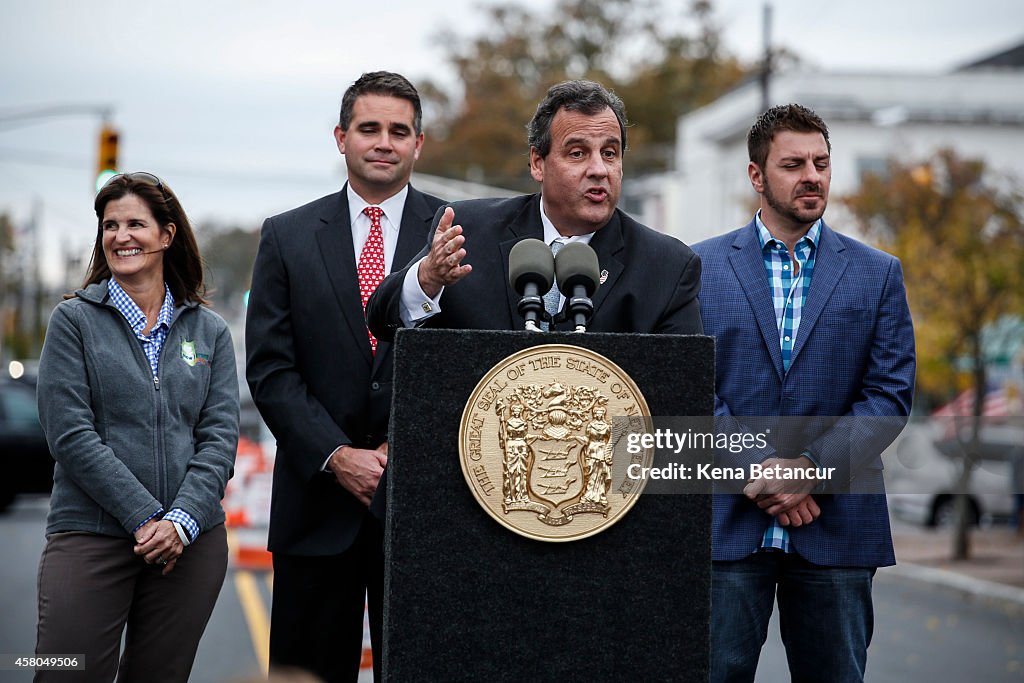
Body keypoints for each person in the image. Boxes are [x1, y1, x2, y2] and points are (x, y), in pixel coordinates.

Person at [693, 104, 916, 683]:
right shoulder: (698, 267)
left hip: (838, 527)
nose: (811, 176)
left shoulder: (879, 274)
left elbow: (889, 397)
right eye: (793, 164)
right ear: (755, 175)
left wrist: (811, 470)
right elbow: (691, 386)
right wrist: (760, 472)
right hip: (725, 525)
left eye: (821, 163)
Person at [245, 71, 445, 683]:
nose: (383, 142)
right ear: (341, 137)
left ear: (418, 143)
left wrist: (400, 450)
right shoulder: (287, 235)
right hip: (315, 507)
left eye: (399, 131)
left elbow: (474, 366)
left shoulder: (461, 232)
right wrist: (336, 455)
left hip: (424, 509)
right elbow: (271, 369)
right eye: (369, 128)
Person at [34, 172, 239, 683]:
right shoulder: (74, 321)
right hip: (92, 534)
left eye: (135, 224)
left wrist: (182, 522)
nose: (121, 236)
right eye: (110, 226)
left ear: (166, 235)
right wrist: (147, 517)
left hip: (189, 543)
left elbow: (219, 439)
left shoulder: (208, 330)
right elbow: (70, 435)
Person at [366, 79, 703, 338]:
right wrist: (426, 279)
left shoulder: (667, 266)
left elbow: (681, 397)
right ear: (538, 163)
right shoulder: (466, 232)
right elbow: (383, 320)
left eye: (610, 153)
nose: (599, 169)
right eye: (578, 153)